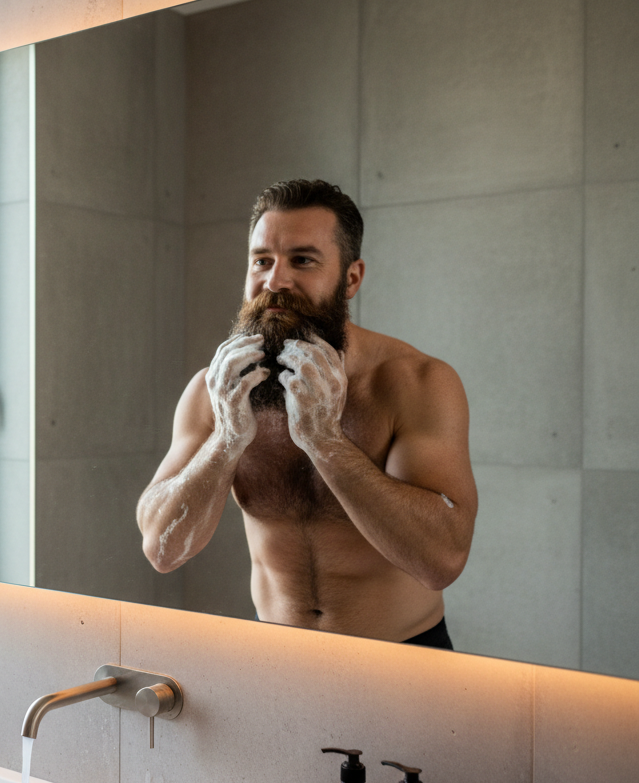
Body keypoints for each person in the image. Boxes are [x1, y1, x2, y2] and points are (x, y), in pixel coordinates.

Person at [137, 179, 476, 648]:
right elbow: (161, 549)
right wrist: (227, 440)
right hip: (280, 659)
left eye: (303, 260)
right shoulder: (215, 392)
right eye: (262, 261)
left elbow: (442, 561)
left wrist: (325, 441)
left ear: (351, 278)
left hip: (402, 659)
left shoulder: (415, 383)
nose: (276, 281)